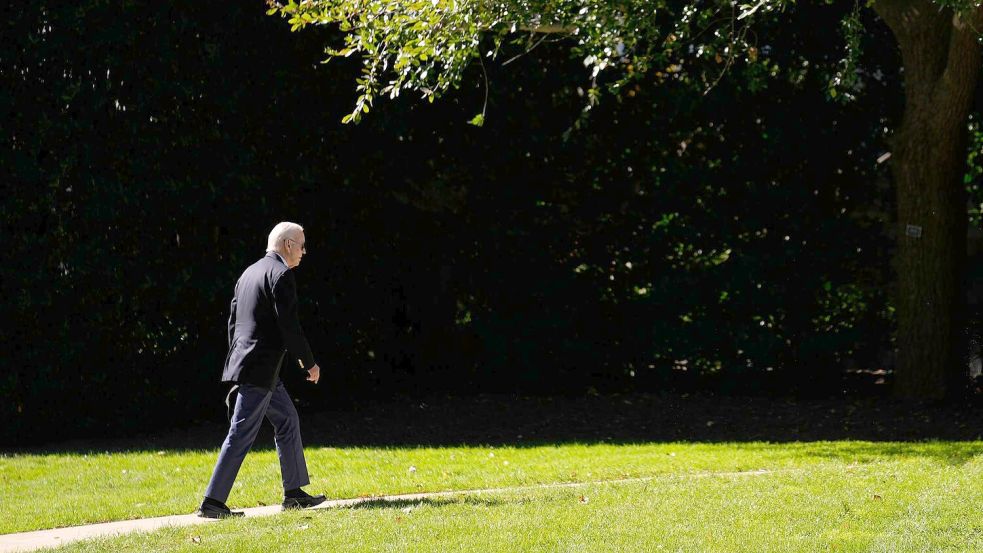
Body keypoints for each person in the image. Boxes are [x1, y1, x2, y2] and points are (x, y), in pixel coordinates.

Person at [197, 222, 326, 518]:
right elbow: (290, 326)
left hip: (253, 364)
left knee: (287, 419)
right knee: (241, 431)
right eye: (302, 245)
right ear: (288, 245)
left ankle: (294, 493)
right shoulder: (281, 275)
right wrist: (309, 363)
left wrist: (238, 360)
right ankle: (212, 502)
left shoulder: (249, 273)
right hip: (260, 368)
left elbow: (234, 321)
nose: (304, 252)